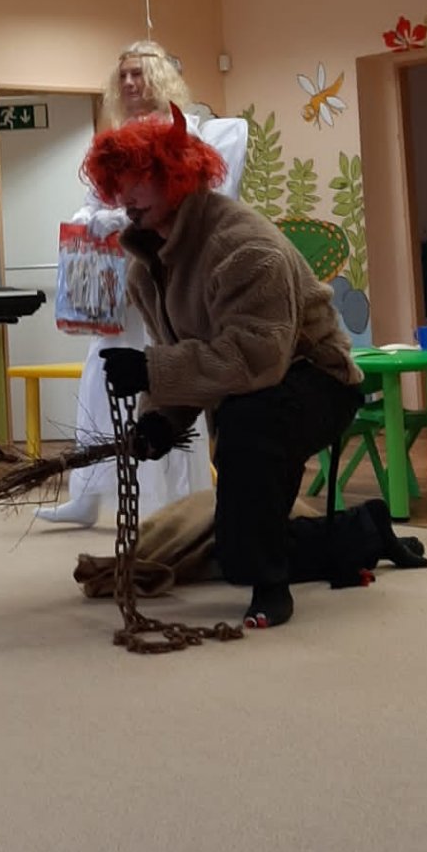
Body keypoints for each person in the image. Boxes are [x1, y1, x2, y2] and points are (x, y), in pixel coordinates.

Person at [87, 105, 364, 630]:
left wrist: (150, 371)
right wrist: (159, 420)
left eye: (139, 180)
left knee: (248, 424)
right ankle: (359, 534)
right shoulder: (146, 270)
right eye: (117, 183)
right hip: (249, 389)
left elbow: (254, 357)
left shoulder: (245, 248)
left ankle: (270, 584)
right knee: (237, 543)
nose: (125, 196)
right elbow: (186, 354)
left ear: (177, 176)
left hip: (317, 381)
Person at [37, 41, 248, 528]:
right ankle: (88, 491)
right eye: (124, 75)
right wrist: (88, 217)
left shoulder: (185, 132)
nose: (131, 82)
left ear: (160, 77)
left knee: (162, 379)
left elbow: (191, 198)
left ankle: (170, 501)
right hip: (118, 281)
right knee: (100, 377)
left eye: (139, 73)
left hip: (162, 274)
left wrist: (122, 219)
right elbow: (98, 194)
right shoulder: (116, 136)